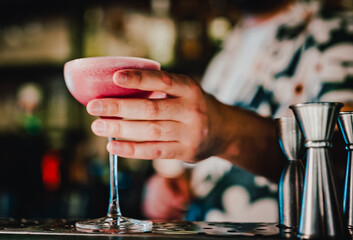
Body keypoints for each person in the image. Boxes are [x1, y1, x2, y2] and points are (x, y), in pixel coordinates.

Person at [86, 0, 353, 222]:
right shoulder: (229, 49)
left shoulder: (337, 33)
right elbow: (210, 159)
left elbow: (342, 155)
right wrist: (173, 184)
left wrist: (227, 132)